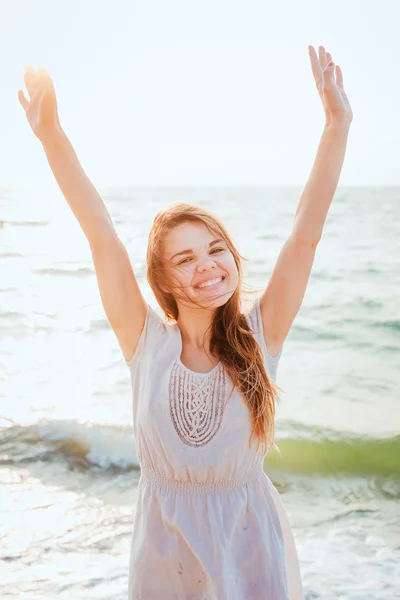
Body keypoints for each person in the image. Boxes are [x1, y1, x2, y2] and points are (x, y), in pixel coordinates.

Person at [18, 44, 352, 599]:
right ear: (164, 281)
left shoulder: (260, 331)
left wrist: (336, 124)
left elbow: (305, 233)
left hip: (248, 547)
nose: (208, 266)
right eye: (185, 258)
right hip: (164, 553)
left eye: (215, 249)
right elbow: (102, 235)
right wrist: (51, 133)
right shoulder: (145, 340)